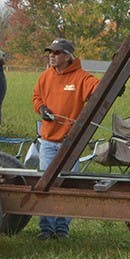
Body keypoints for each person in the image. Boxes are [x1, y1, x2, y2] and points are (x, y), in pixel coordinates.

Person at [31, 38, 99, 240]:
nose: (52, 55)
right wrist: (41, 109)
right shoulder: (45, 76)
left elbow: (98, 88)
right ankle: (46, 228)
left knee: (66, 185)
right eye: (50, 52)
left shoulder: (81, 78)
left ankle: (62, 228)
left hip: (70, 144)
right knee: (46, 184)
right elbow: (37, 98)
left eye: (57, 53)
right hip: (48, 142)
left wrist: (114, 86)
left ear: (69, 56)